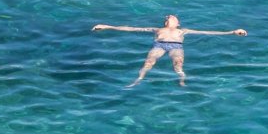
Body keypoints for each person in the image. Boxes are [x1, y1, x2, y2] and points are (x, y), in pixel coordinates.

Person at [92, 14, 247, 87]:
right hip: (158, 45)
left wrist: (232, 32)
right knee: (149, 62)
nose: (168, 17)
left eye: (171, 17)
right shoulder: (156, 29)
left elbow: (207, 32)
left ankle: (182, 80)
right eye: (167, 17)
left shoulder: (183, 31)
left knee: (178, 64)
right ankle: (138, 80)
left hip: (176, 46)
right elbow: (131, 28)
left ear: (178, 22)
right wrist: (108, 26)